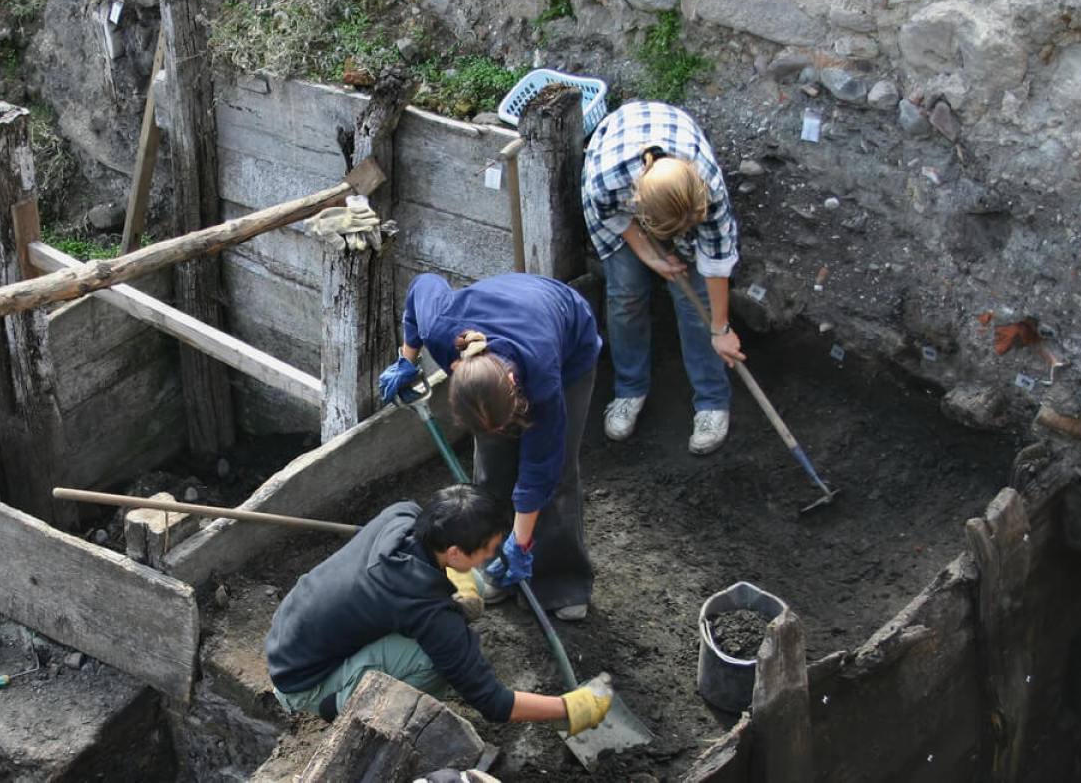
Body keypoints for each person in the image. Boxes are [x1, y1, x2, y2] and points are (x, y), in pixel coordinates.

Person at [264, 484, 611, 734]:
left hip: (290, 634)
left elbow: (446, 577)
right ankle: (343, 705)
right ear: (455, 551)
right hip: (302, 683)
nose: (494, 554)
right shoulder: (426, 611)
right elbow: (492, 702)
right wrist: (570, 707)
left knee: (470, 582)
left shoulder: (401, 514)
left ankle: (354, 674)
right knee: (434, 661)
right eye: (489, 548)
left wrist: (458, 587)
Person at [379, 272, 602, 621]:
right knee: (492, 469)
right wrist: (408, 360)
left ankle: (560, 583)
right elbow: (422, 285)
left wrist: (522, 542)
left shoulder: (542, 374)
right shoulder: (441, 330)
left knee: (556, 480)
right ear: (456, 372)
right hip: (502, 327)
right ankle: (494, 561)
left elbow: (541, 467)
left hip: (567, 335)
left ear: (514, 385)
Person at [581, 100, 746, 455]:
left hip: (672, 165)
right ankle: (629, 389)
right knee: (626, 292)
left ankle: (712, 401)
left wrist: (721, 328)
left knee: (693, 300)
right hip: (620, 201)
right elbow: (611, 215)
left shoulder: (708, 188)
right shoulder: (607, 182)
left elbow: (716, 260)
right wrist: (648, 254)